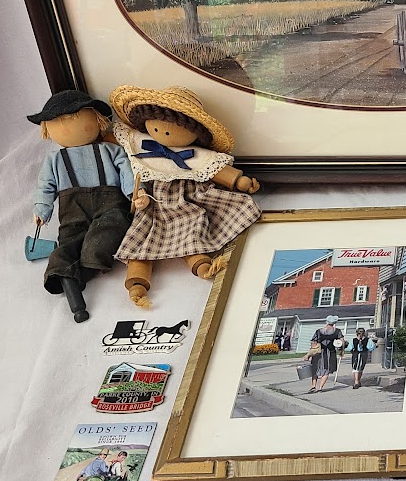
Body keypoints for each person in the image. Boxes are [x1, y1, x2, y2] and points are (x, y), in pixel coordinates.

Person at [110, 86, 260, 309]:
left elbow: (217, 169)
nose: (163, 133)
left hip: (186, 199)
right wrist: (140, 194)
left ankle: (201, 264)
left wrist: (240, 181)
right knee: (142, 237)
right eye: (156, 127)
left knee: (191, 226)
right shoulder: (141, 143)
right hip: (154, 203)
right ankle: (137, 282)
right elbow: (118, 141)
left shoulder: (196, 154)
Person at [28, 90, 136, 322]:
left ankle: (78, 273)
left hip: (110, 203)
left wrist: (134, 194)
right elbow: (45, 185)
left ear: (99, 120)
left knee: (110, 227)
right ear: (48, 130)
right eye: (61, 125)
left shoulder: (111, 150)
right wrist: (42, 208)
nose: (70, 130)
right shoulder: (54, 160)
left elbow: (127, 172)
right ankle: (62, 270)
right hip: (72, 208)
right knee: (69, 238)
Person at [307, 315, 346, 393]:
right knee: (327, 370)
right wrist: (342, 351)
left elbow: (313, 342)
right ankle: (320, 388)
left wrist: (310, 353)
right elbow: (342, 342)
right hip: (330, 352)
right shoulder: (337, 331)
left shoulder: (319, 331)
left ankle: (313, 386)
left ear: (326, 322)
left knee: (315, 368)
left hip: (318, 352)